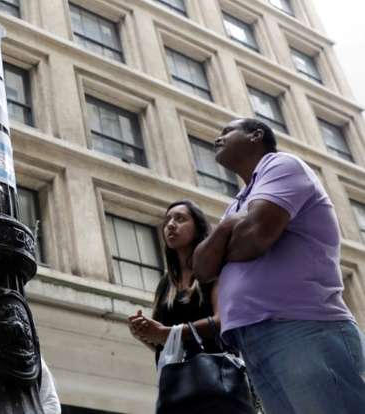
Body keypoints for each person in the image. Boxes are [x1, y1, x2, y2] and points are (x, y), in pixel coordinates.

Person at [193, 118, 365, 413]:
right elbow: (203, 269)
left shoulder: (282, 164)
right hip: (254, 339)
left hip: (301, 328)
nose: (217, 139)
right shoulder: (236, 205)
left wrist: (228, 245)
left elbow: (255, 237)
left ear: (255, 135)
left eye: (226, 131)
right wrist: (225, 229)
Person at [128, 200, 221, 361]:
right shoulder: (166, 282)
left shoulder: (213, 268)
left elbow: (221, 321)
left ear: (198, 227)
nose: (170, 225)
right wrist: (143, 333)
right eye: (167, 221)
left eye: (180, 219)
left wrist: (169, 333)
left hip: (216, 375)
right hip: (176, 380)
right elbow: (161, 343)